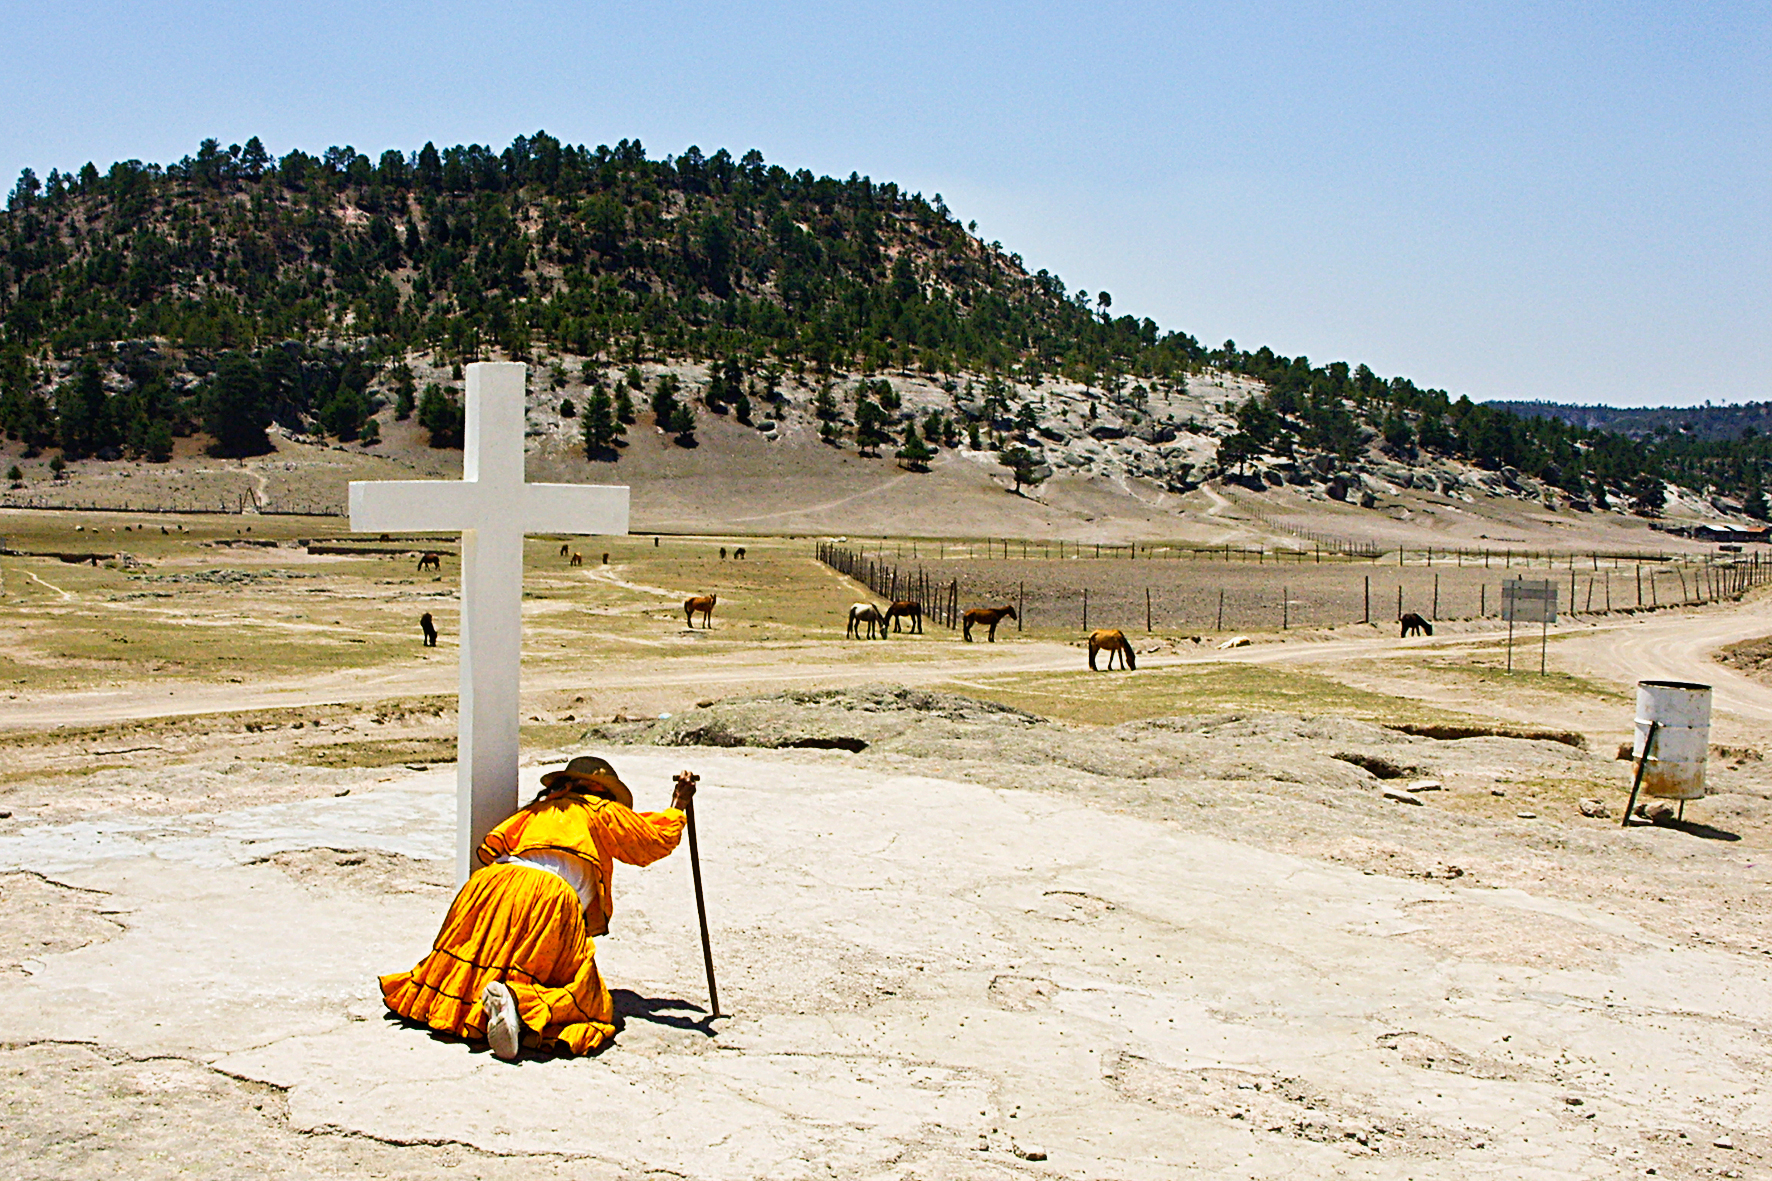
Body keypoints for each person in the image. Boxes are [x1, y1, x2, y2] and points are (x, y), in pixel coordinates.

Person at [380, 756, 694, 1059]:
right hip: (546, 896)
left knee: (476, 965)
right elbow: (653, 841)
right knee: (588, 998)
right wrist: (678, 803)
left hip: (489, 885)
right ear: (598, 788)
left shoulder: (538, 809)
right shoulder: (599, 808)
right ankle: (516, 1004)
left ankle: (481, 1005)